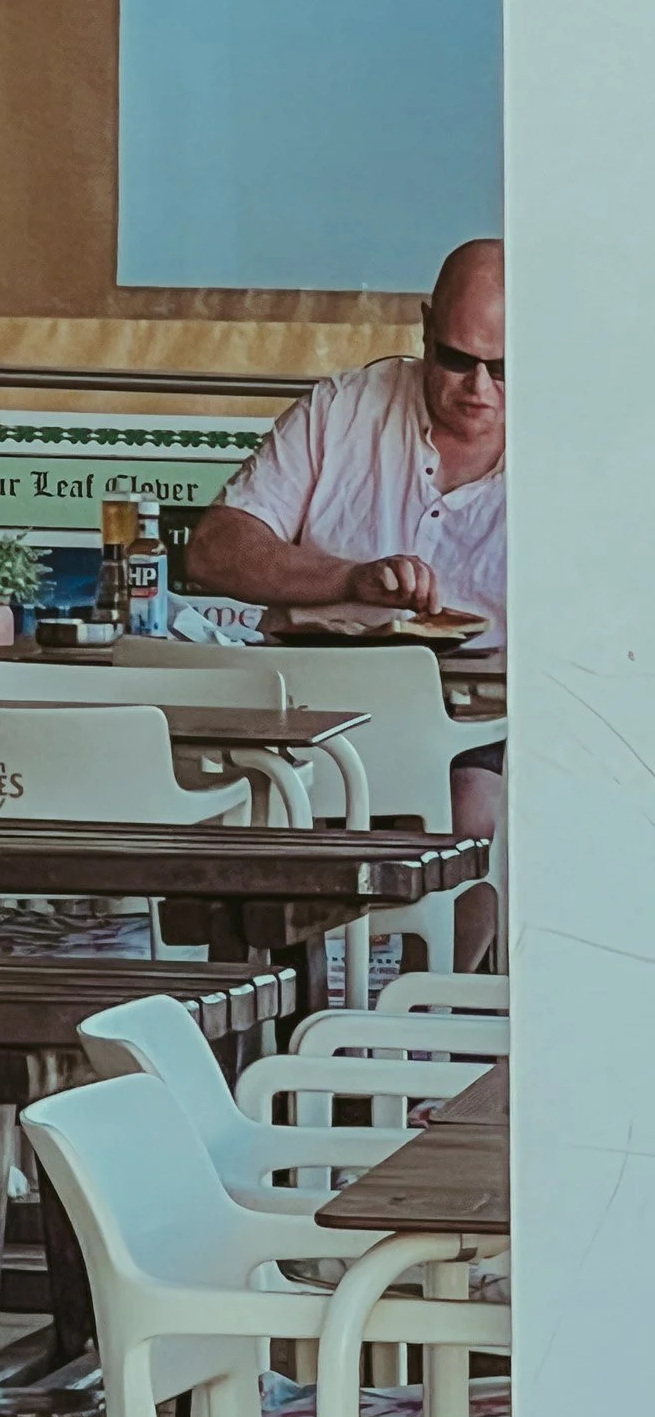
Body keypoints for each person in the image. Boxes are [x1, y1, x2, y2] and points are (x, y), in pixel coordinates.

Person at [187, 238, 505, 967]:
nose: (479, 388)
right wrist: (344, 579)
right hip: (314, 715)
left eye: (504, 368)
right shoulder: (344, 411)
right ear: (424, 330)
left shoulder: (573, 449)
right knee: (249, 816)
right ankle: (283, 1018)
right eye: (457, 360)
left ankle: (427, 1023)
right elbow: (215, 547)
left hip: (479, 727)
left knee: (475, 812)